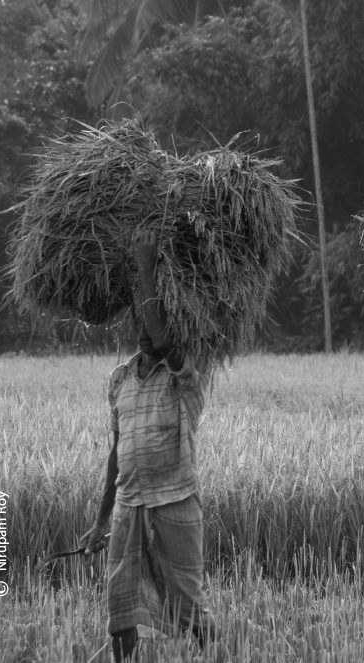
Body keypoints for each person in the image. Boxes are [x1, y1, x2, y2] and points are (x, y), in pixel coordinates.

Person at [78, 228, 217, 661]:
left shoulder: (186, 375)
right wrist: (101, 520)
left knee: (187, 604)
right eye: (138, 322)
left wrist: (145, 266)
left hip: (175, 501)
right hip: (129, 503)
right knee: (119, 605)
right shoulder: (119, 378)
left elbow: (161, 339)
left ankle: (215, 653)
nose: (144, 331)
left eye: (150, 320)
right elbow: (117, 454)